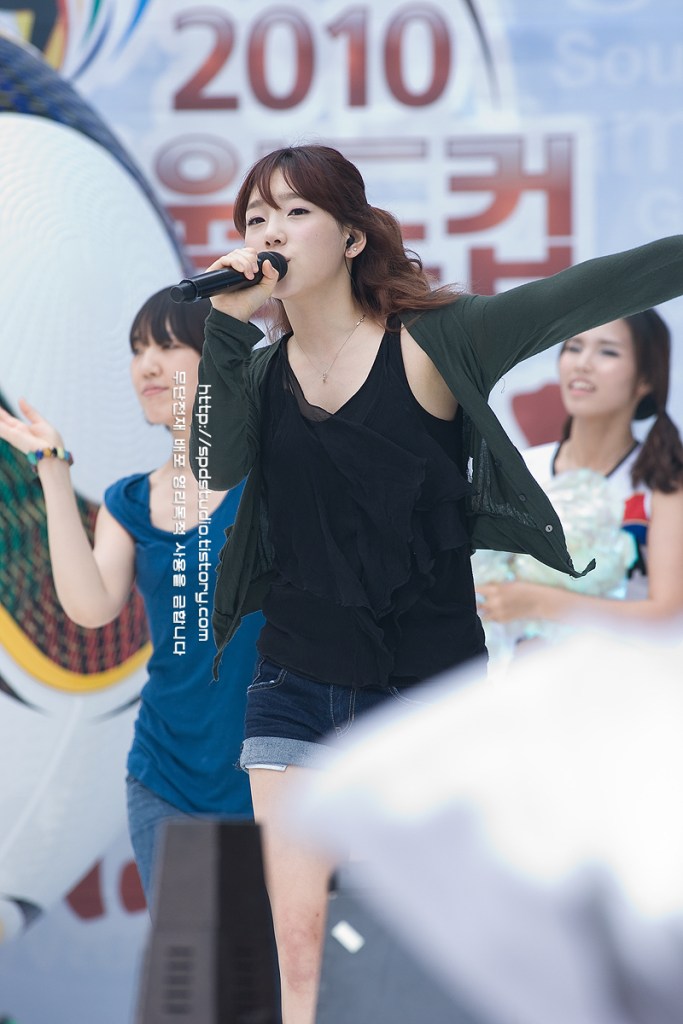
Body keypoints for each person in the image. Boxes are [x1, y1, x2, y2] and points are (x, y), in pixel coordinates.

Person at [188, 142, 683, 1023]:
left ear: (350, 238)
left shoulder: (435, 341)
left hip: (423, 687)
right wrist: (225, 328)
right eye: (256, 217)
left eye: (296, 212)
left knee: (410, 953)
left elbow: (586, 289)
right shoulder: (256, 370)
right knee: (298, 943)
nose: (271, 232)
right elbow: (210, 466)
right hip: (293, 679)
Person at [0, 288, 263, 904]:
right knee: (200, 960)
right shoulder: (129, 501)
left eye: (168, 346)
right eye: (138, 349)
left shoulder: (274, 475)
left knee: (285, 957)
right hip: (167, 777)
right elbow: (90, 608)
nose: (147, 365)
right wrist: (53, 469)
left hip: (278, 771)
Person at [476, 309, 683, 631]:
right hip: (523, 657)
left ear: (645, 378)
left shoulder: (664, 483)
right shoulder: (521, 469)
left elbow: (668, 613)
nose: (582, 363)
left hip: (627, 660)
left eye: (607, 352)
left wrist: (539, 602)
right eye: (574, 347)